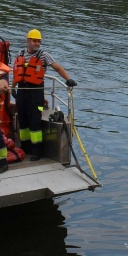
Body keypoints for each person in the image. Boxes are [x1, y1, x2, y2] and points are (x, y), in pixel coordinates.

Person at [13, 29, 77, 161]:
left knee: (35, 120)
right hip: (22, 91)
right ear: (28, 41)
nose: (37, 44)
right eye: (35, 41)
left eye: (39, 41)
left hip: (36, 92)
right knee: (23, 119)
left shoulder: (44, 55)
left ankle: (37, 150)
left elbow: (57, 68)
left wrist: (68, 79)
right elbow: (16, 73)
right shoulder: (20, 54)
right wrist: (12, 88)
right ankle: (25, 147)